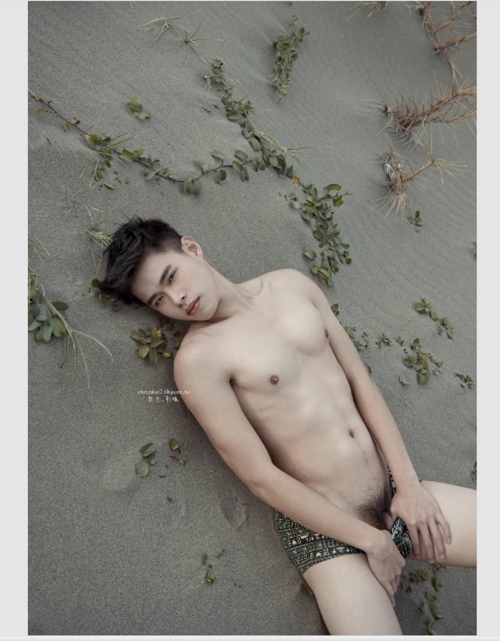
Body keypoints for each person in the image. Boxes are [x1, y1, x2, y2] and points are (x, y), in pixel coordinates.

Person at [98, 217, 476, 636]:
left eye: (171, 277)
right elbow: (260, 477)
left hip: (392, 488)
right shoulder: (198, 361)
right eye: (159, 300)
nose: (177, 298)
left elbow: (359, 381)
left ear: (191, 248)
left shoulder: (292, 285)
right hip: (325, 536)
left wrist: (408, 486)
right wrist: (373, 541)